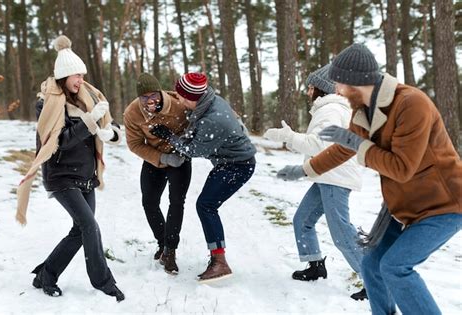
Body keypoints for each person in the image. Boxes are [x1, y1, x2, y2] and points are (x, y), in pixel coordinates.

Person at [300, 43, 461, 314]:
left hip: (443, 204)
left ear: (355, 80)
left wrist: (364, 150)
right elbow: (346, 147)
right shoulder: (363, 109)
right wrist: (308, 170)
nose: (337, 89)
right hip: (404, 205)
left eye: (339, 83)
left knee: (395, 267)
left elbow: (401, 168)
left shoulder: (412, 104)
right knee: (372, 265)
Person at [16, 35, 125, 301]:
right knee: (90, 227)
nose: (80, 79)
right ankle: (104, 282)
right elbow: (60, 142)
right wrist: (90, 120)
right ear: (63, 77)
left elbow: (105, 127)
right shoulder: (47, 104)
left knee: (79, 230)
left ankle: (46, 275)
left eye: (82, 74)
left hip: (86, 176)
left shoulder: (86, 97)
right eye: (75, 75)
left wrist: (110, 133)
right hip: (61, 176)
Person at [263, 64, 367, 301]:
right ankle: (315, 266)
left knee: (342, 231)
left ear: (321, 89)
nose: (308, 92)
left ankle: (374, 281)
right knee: (303, 220)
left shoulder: (329, 109)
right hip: (327, 176)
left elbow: (318, 145)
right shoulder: (331, 108)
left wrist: (288, 137)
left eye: (311, 87)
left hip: (335, 178)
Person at [150, 73, 256, 283]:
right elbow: (194, 127)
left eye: (181, 97)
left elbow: (192, 150)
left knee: (206, 206)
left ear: (191, 97)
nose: (179, 101)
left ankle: (220, 262)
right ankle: (218, 259)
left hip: (238, 165)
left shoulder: (213, 119)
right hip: (229, 162)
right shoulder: (208, 101)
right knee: (206, 205)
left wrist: (169, 136)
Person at [123, 73, 191, 275]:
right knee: (149, 202)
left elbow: (196, 127)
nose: (151, 100)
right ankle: (162, 243)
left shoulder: (179, 105)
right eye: (145, 97)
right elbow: (134, 144)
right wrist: (162, 158)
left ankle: (170, 251)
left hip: (180, 157)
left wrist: (180, 148)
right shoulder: (132, 113)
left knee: (176, 201)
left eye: (155, 95)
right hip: (155, 158)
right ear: (139, 99)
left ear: (161, 93)